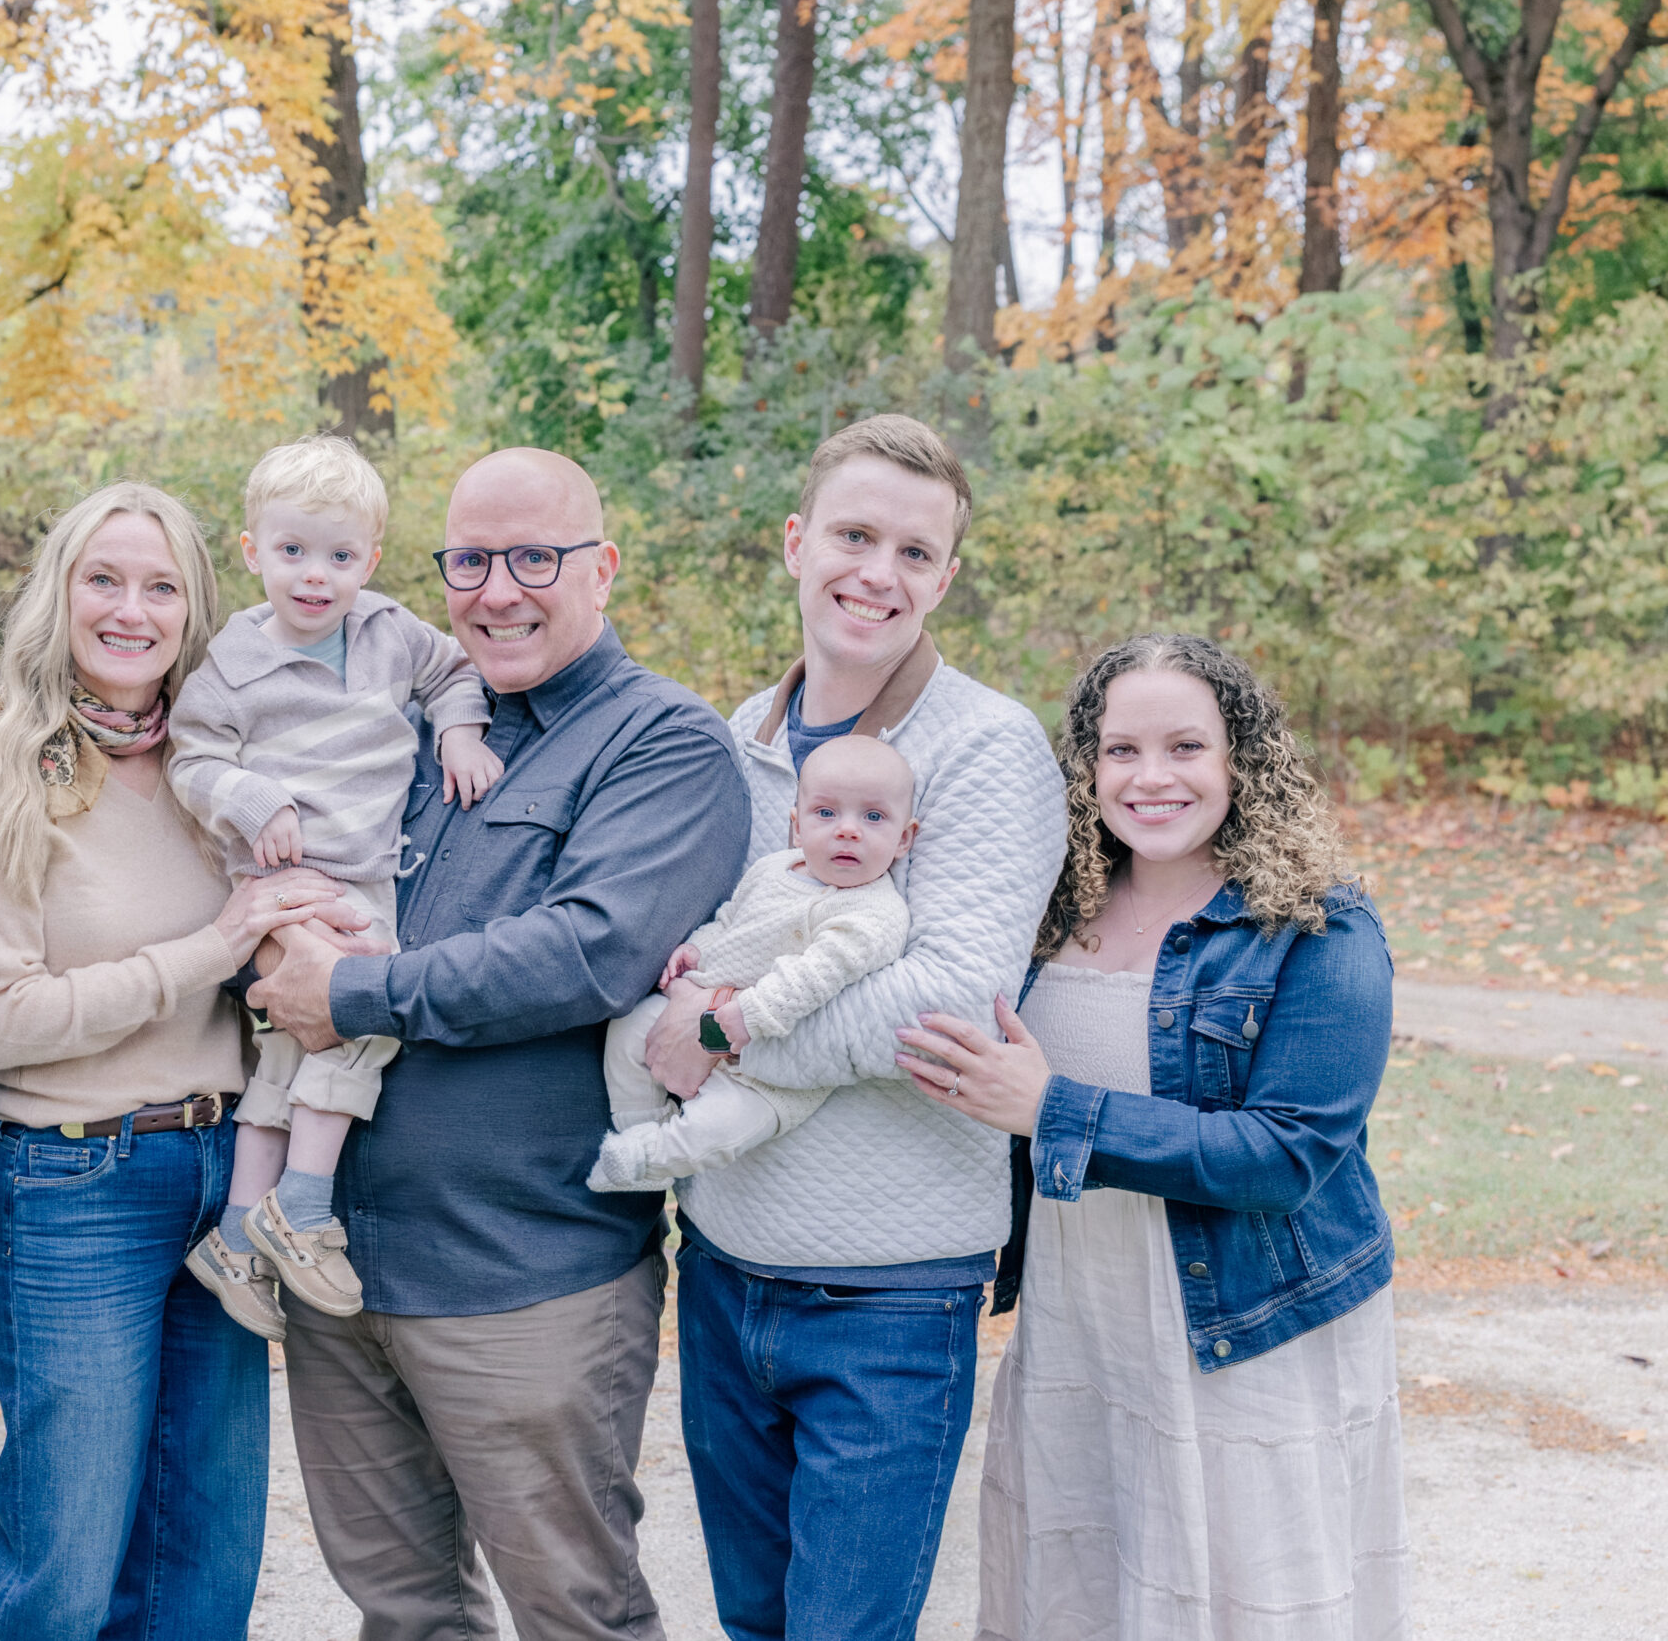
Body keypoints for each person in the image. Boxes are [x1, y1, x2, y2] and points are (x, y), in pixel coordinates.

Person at [247, 446, 752, 1641]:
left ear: (603, 568)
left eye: (535, 558)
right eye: (469, 562)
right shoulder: (407, 724)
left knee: (574, 1611)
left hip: (523, 1277)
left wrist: (352, 991)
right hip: (341, 1272)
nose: (497, 591)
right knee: (404, 1613)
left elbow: (587, 951)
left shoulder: (661, 743)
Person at [895, 634, 1410, 1639]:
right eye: (1120, 750)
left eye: (1185, 747)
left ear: (1239, 760)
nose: (1150, 777)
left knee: (1243, 1601)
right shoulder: (1048, 910)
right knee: (1081, 1591)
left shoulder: (1319, 927)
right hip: (1079, 1316)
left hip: (1245, 1326)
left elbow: (1286, 1156)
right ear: (1086, 768)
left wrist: (1054, 1110)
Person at [649, 413, 1066, 1641]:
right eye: (853, 536)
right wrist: (691, 999)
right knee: (754, 1626)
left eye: (913, 552)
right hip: (722, 1263)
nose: (877, 573)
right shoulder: (742, 736)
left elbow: (945, 1003)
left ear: (946, 577)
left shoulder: (987, 747)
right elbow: (708, 943)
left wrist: (714, 1033)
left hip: (889, 1292)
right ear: (796, 542)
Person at [0, 481, 366, 1641]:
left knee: (201, 1567)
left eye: (161, 586)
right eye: (105, 581)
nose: (132, 610)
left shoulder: (221, 768)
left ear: (195, 608)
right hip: (79, 1178)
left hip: (228, 1179)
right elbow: (5, 1020)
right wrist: (214, 946)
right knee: (63, 1575)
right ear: (60, 594)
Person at [166, 434, 504, 1328]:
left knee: (294, 1048)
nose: (316, 575)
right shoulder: (232, 665)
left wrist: (458, 731)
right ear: (253, 552)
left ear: (372, 560)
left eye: (340, 557)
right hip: (286, 884)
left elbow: (455, 670)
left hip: (366, 876)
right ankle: (303, 1207)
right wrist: (252, 796)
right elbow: (189, 760)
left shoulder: (390, 633)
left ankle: (237, 1231)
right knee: (360, 1021)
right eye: (293, 551)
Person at [588, 733, 916, 1192]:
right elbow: (730, 920)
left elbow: (816, 975)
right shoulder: (772, 868)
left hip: (771, 1064)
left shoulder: (875, 912)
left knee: (725, 1124)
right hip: (703, 1006)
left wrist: (746, 1015)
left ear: (904, 838)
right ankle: (639, 1129)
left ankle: (649, 1160)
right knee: (629, 1028)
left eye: (873, 817)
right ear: (797, 826)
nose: (848, 830)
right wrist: (697, 949)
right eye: (826, 813)